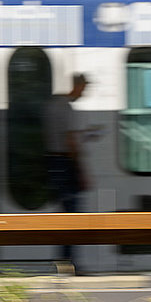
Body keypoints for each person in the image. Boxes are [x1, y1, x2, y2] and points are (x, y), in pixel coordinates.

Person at [43, 73, 90, 212]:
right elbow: (70, 141)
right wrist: (81, 171)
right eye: (83, 88)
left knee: (62, 201)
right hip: (65, 161)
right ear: (75, 86)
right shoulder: (65, 107)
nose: (83, 93)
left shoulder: (51, 105)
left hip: (53, 160)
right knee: (71, 205)